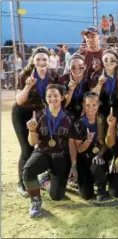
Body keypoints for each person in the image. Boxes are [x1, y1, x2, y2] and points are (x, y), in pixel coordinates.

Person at [12, 47, 59, 198]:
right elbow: (19, 101)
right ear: (32, 60)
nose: (41, 62)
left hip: (42, 115)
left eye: (44, 59)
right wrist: (27, 86)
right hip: (22, 113)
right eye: (38, 59)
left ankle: (44, 178)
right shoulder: (26, 74)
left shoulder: (53, 75)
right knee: (27, 149)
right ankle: (22, 183)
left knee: (47, 146)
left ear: (48, 60)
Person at [22, 84, 75, 217]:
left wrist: (73, 164)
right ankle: (35, 201)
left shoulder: (70, 117)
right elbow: (33, 142)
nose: (52, 98)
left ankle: (45, 180)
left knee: (57, 196)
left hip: (61, 156)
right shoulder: (39, 116)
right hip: (43, 152)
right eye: (49, 96)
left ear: (62, 97)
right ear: (45, 99)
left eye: (56, 95)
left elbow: (72, 143)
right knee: (28, 171)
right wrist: (32, 130)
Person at [69, 91, 109, 201]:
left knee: (96, 163)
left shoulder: (103, 120)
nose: (91, 108)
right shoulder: (78, 124)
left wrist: (100, 154)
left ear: (98, 104)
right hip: (84, 159)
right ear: (83, 105)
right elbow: (79, 149)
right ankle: (87, 181)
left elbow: (107, 144)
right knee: (86, 195)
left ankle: (101, 189)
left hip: (99, 157)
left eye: (94, 105)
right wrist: (88, 141)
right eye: (88, 105)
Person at [91, 49, 118, 118]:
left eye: (112, 60)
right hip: (101, 109)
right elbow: (91, 98)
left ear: (117, 62)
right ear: (102, 62)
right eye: (106, 60)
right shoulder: (96, 75)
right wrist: (99, 84)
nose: (108, 62)